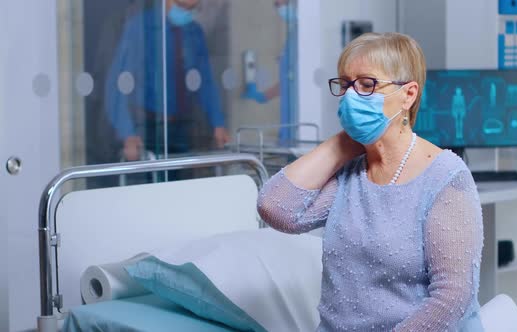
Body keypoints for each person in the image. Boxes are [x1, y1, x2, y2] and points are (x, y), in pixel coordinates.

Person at [257, 32, 484, 331]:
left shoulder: (445, 177)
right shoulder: (352, 172)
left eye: (367, 85)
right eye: (346, 85)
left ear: (408, 94)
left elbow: (453, 297)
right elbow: (277, 210)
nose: (351, 96)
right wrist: (342, 143)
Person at [106, 0, 230, 165]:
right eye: (183, 6)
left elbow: (205, 82)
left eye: (193, 8)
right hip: (148, 127)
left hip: (183, 124)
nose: (187, 12)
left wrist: (218, 123)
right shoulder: (141, 27)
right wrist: (127, 132)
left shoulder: (194, 32)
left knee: (181, 184)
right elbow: (118, 83)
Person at [243, 0, 297, 144]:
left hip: (301, 118)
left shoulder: (304, 36)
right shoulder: (292, 34)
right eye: (277, 5)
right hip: (289, 120)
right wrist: (264, 96)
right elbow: (289, 80)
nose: (281, 9)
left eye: (284, 3)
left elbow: (300, 80)